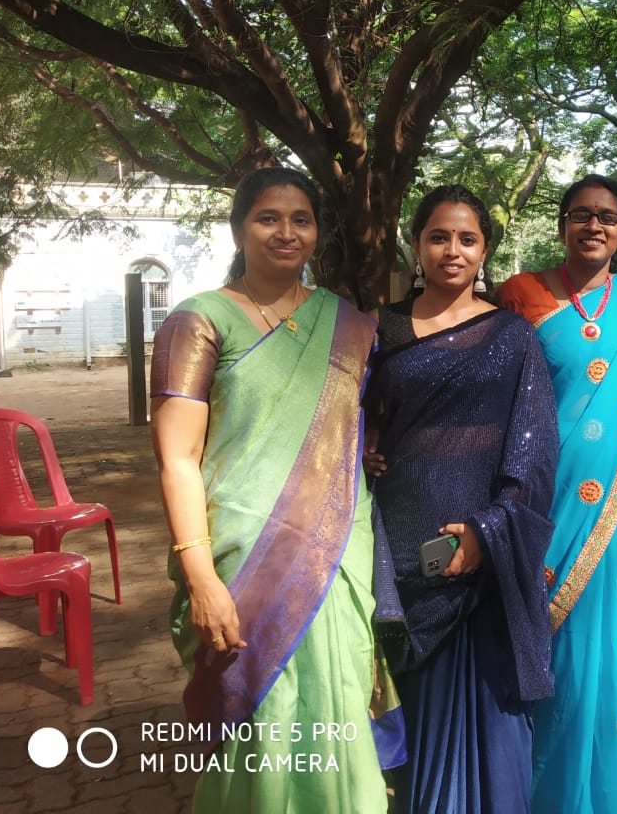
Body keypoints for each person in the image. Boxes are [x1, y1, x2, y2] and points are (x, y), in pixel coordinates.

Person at [150, 166, 386, 812]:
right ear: (239, 229)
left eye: (300, 219)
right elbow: (177, 458)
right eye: (268, 218)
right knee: (259, 718)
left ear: (317, 233)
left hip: (335, 548)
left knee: (337, 696)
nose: (286, 232)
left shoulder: (348, 325)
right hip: (238, 554)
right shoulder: (199, 320)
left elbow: (354, 434)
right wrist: (201, 577)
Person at [362, 184, 559, 814]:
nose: (453, 250)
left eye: (467, 239)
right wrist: (363, 448)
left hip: (484, 557)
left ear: (485, 250)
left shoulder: (512, 335)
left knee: (489, 726)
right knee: (411, 717)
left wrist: (489, 530)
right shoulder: (380, 329)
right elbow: (350, 418)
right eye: (438, 237)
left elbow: (534, 447)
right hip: (399, 548)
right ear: (415, 245)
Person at [497, 174, 617, 814]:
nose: (594, 225)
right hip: (542, 498)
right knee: (552, 654)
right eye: (581, 214)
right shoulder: (520, 294)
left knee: (611, 650)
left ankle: (608, 797)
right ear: (562, 224)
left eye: (607, 217)